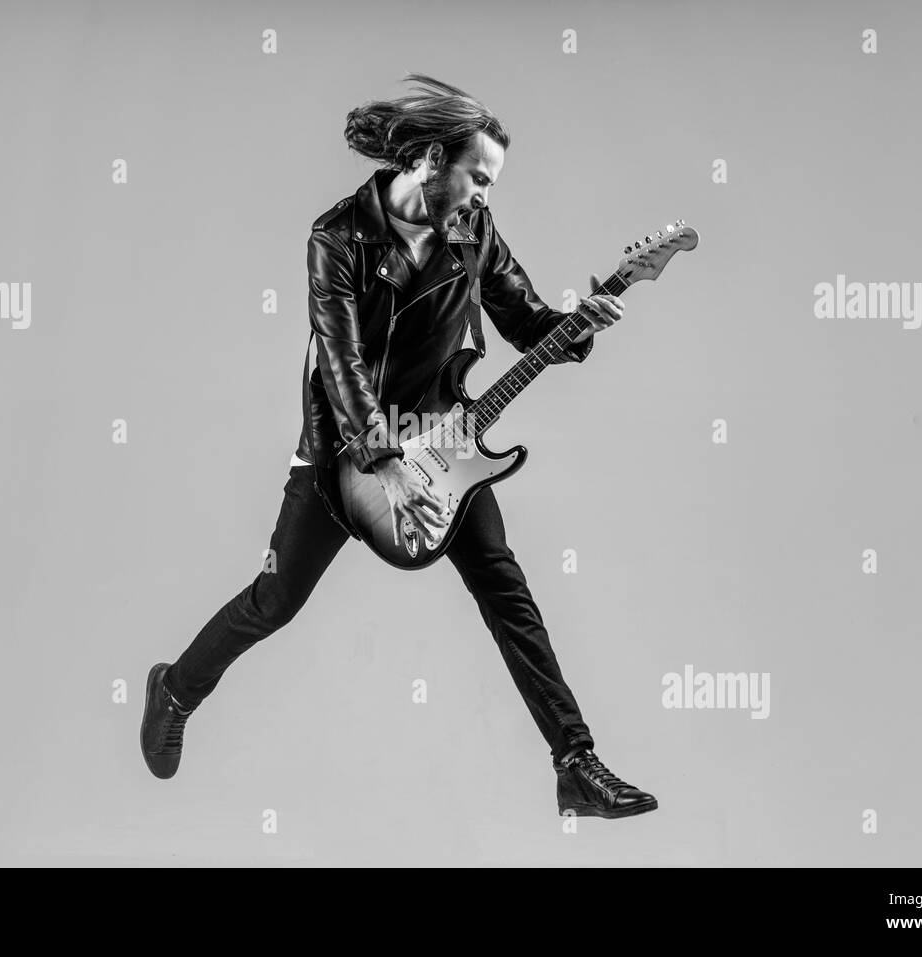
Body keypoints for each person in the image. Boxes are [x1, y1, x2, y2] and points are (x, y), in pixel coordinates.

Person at [141, 74, 657, 819]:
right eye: (477, 176)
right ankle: (176, 689)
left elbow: (528, 320)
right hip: (342, 457)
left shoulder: (473, 233)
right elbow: (341, 365)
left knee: (505, 589)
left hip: (444, 444)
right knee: (274, 601)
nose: (484, 194)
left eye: (490, 182)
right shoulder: (338, 238)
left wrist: (588, 318)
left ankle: (575, 763)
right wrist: (382, 464)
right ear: (426, 159)